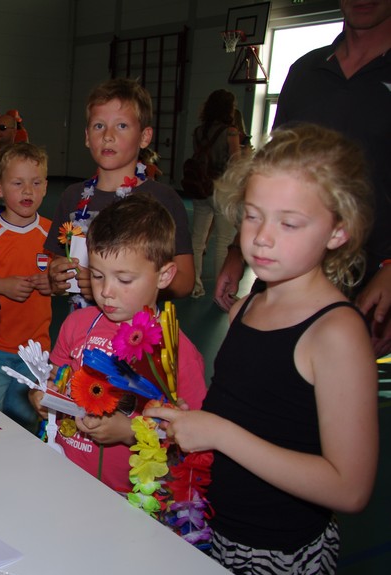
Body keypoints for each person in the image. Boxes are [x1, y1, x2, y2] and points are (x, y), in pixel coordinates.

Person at [149, 124, 377, 575]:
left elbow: (350, 487)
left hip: (278, 553)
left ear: (338, 231)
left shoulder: (335, 334)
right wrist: (190, 422)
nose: (262, 238)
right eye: (253, 216)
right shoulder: (247, 306)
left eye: (290, 223)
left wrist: (220, 433)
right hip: (215, 526)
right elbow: (243, 412)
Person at [213, 0, 390, 357]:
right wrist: (237, 250)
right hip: (288, 269)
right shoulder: (306, 71)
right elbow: (274, 169)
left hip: (371, 274)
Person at [29, 195, 206, 492]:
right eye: (97, 275)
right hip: (63, 471)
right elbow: (55, 377)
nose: (106, 292)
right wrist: (42, 396)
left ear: (164, 275)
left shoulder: (175, 352)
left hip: (126, 494)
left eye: (124, 280)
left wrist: (130, 432)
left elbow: (193, 436)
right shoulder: (77, 324)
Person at [44, 78, 195, 304]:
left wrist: (112, 285)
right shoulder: (72, 197)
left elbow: (185, 281)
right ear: (87, 137)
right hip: (84, 323)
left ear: (144, 137)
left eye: (122, 126)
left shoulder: (163, 199)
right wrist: (57, 278)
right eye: (99, 126)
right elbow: (59, 263)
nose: (108, 135)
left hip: (138, 325)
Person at [0, 143, 53, 433]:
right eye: (18, 183)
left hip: (36, 351)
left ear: (46, 187)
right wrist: (0, 285)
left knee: (26, 423)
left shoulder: (52, 233)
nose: (28, 191)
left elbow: (67, 282)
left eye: (36, 183)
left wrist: (54, 282)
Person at [188, 89, 242, 299]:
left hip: (200, 187)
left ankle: (195, 285)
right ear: (228, 108)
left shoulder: (198, 131)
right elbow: (236, 162)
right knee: (223, 240)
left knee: (197, 238)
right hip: (222, 189)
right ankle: (223, 291)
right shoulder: (231, 132)